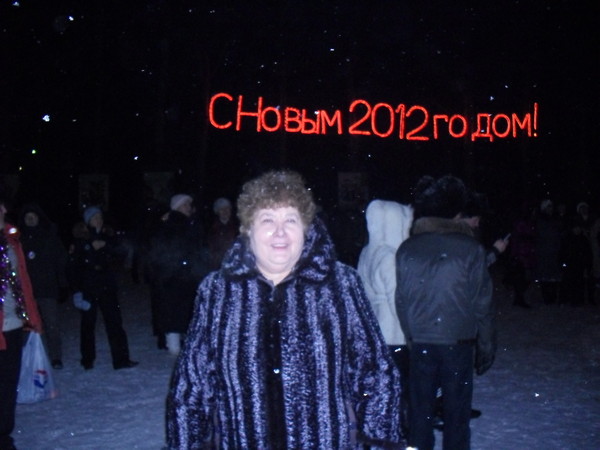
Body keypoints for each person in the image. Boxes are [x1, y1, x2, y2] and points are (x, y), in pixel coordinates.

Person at [167, 170, 405, 449]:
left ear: (305, 227)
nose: (280, 232)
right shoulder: (218, 291)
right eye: (267, 219)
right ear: (248, 229)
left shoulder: (340, 285)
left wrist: (378, 442)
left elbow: (376, 375)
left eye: (290, 220)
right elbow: (191, 387)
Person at [395, 175, 495, 450]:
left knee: (420, 414)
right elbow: (482, 302)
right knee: (456, 414)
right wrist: (486, 344)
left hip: (422, 341)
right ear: (456, 214)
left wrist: (412, 336)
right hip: (458, 342)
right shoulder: (470, 249)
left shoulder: (408, 248)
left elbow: (402, 300)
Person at [357, 199, 413, 437]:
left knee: (381, 388)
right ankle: (398, 432)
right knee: (399, 389)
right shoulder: (389, 256)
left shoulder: (368, 251)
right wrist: (412, 331)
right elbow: (397, 300)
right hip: (394, 333)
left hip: (375, 330)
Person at [67, 206, 138, 370]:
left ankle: (121, 359)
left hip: (107, 285)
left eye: (100, 216)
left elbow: (121, 253)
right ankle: (87, 359)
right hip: (88, 286)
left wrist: (106, 245)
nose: (98, 220)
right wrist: (76, 290)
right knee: (87, 324)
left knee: (115, 322)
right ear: (88, 221)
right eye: (94, 217)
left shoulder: (108, 236)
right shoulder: (80, 240)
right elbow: (73, 267)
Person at [0, 196, 43, 449]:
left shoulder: (11, 239)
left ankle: (4, 436)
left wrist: (32, 317)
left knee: (8, 385)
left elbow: (23, 281)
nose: (4, 209)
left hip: (13, 324)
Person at [148, 194, 205, 355]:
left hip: (182, 274)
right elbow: (168, 248)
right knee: (175, 310)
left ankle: (178, 343)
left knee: (181, 310)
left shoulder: (187, 223)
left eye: (189, 204)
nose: (189, 208)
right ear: (178, 206)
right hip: (175, 274)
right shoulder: (174, 224)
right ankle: (174, 346)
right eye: (185, 204)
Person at [18, 203, 68, 369]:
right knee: (28, 326)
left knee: (52, 324)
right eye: (27, 217)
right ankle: (29, 358)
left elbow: (60, 260)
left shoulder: (49, 237)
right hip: (26, 291)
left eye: (33, 217)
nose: (30, 220)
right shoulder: (19, 239)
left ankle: (56, 357)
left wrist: (62, 283)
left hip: (47, 288)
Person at [534, 200, 563, 305]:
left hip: (554, 251)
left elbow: (558, 233)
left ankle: (553, 297)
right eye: (548, 207)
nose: (550, 209)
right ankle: (547, 297)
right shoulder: (540, 220)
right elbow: (542, 235)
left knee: (554, 275)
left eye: (551, 207)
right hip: (544, 251)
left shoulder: (555, 219)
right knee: (545, 275)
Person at [207, 197, 238, 271]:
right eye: (221, 209)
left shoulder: (238, 226)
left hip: (236, 264)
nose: (225, 211)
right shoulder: (211, 229)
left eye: (227, 208)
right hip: (218, 266)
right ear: (217, 212)